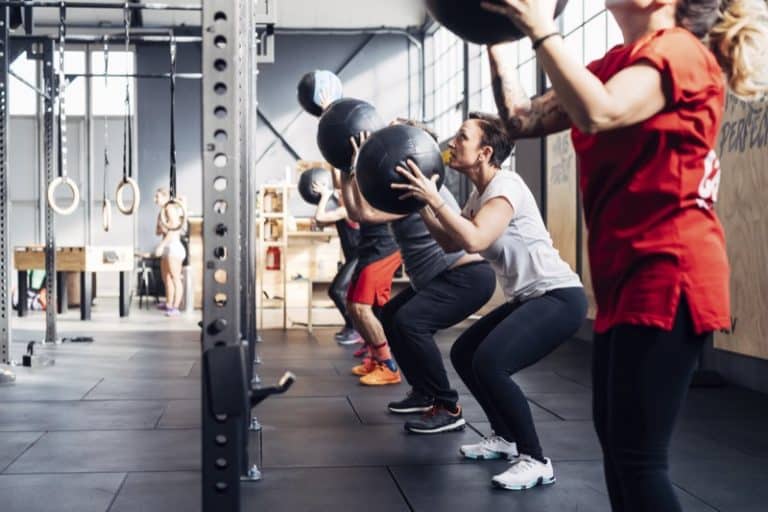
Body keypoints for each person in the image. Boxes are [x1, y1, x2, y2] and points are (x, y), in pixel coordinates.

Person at [479, 0, 768, 508]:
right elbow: (521, 119)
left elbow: (601, 112)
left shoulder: (681, 54)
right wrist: (495, 31)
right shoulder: (612, 65)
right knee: (616, 447)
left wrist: (539, 25)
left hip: (669, 272)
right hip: (621, 280)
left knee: (637, 457)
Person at [394, 112, 586, 489]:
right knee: (464, 353)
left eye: (462, 137)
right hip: (528, 297)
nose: (452, 142)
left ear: (484, 152)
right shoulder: (478, 195)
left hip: (559, 296)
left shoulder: (506, 185)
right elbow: (451, 242)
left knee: (492, 362)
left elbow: (476, 241)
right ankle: (505, 437)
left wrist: (436, 197)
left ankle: (535, 458)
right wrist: (421, 205)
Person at [348, 121, 496, 434]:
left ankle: (447, 406)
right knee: (391, 314)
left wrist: (356, 162)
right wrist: (350, 166)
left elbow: (365, 214)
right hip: (439, 278)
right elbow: (355, 208)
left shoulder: (424, 188)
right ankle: (423, 391)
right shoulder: (402, 190)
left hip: (466, 275)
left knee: (411, 322)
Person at [312, 173, 363, 345]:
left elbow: (320, 217)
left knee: (337, 291)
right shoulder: (341, 211)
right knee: (347, 295)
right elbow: (319, 223)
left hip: (360, 258)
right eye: (339, 193)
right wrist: (325, 197)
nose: (339, 194)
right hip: (352, 258)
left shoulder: (346, 210)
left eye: (342, 193)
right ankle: (353, 327)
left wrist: (325, 195)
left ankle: (356, 329)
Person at [154, 187, 187, 317]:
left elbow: (173, 232)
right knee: (166, 278)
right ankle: (169, 303)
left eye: (157, 197)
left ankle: (176, 307)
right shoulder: (161, 212)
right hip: (168, 247)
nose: (155, 200)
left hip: (174, 247)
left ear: (165, 197)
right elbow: (157, 232)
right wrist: (161, 227)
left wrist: (161, 246)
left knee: (175, 278)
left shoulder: (170, 209)